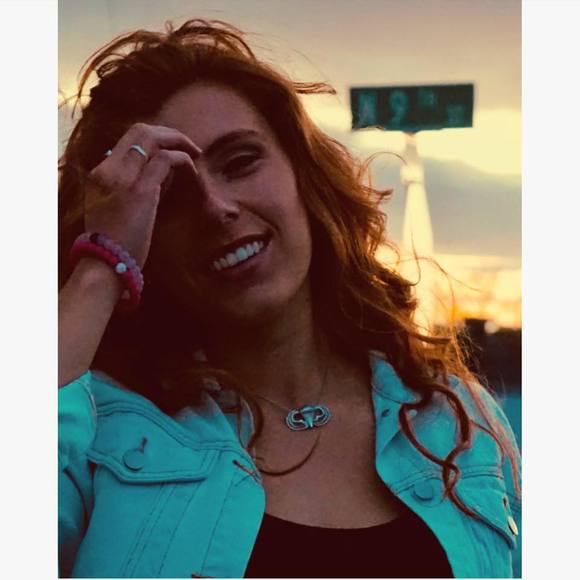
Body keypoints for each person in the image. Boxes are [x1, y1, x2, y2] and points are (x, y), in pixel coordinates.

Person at [58, 18, 521, 579]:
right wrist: (99, 268)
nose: (217, 208)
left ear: (303, 175)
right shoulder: (97, 428)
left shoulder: (456, 419)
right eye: (171, 193)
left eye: (241, 162)